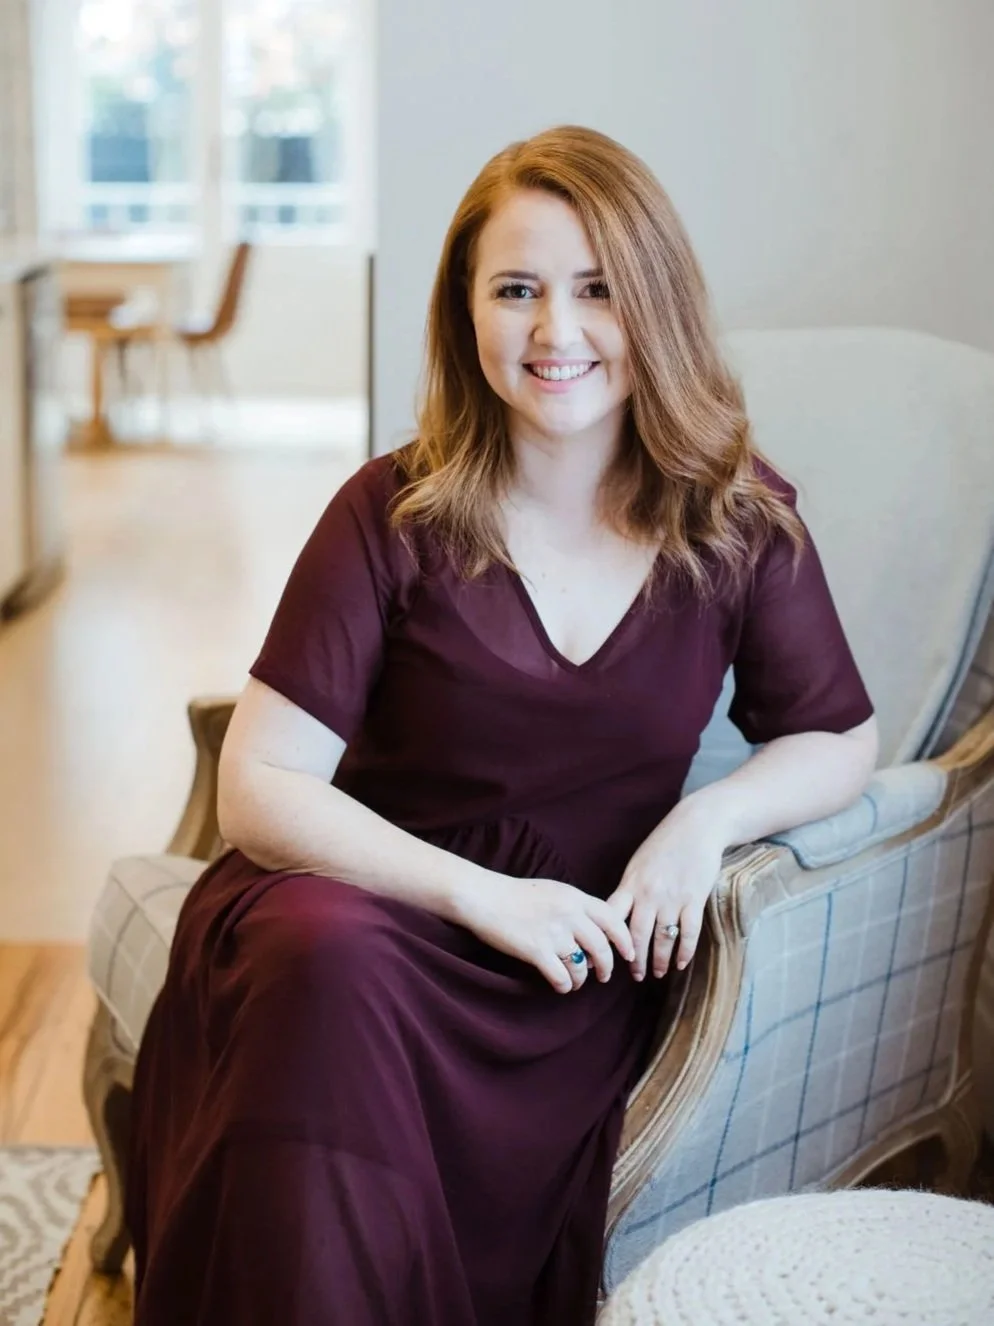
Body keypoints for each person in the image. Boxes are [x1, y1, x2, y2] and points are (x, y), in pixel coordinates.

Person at [125, 125, 878, 1326]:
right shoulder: (389, 511)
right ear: (464, 313)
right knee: (327, 968)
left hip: (571, 965)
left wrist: (705, 822)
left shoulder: (737, 519)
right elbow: (259, 784)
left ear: (655, 305)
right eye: (515, 290)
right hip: (362, 912)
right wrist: (476, 897)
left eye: (595, 291)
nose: (554, 332)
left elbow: (838, 736)